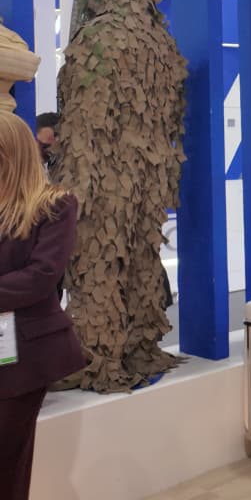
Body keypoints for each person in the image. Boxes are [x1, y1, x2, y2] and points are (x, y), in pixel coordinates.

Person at [0, 112, 84, 500]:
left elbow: (41, 277)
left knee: (7, 459)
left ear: (10, 153)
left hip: (26, 354)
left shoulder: (55, 205)